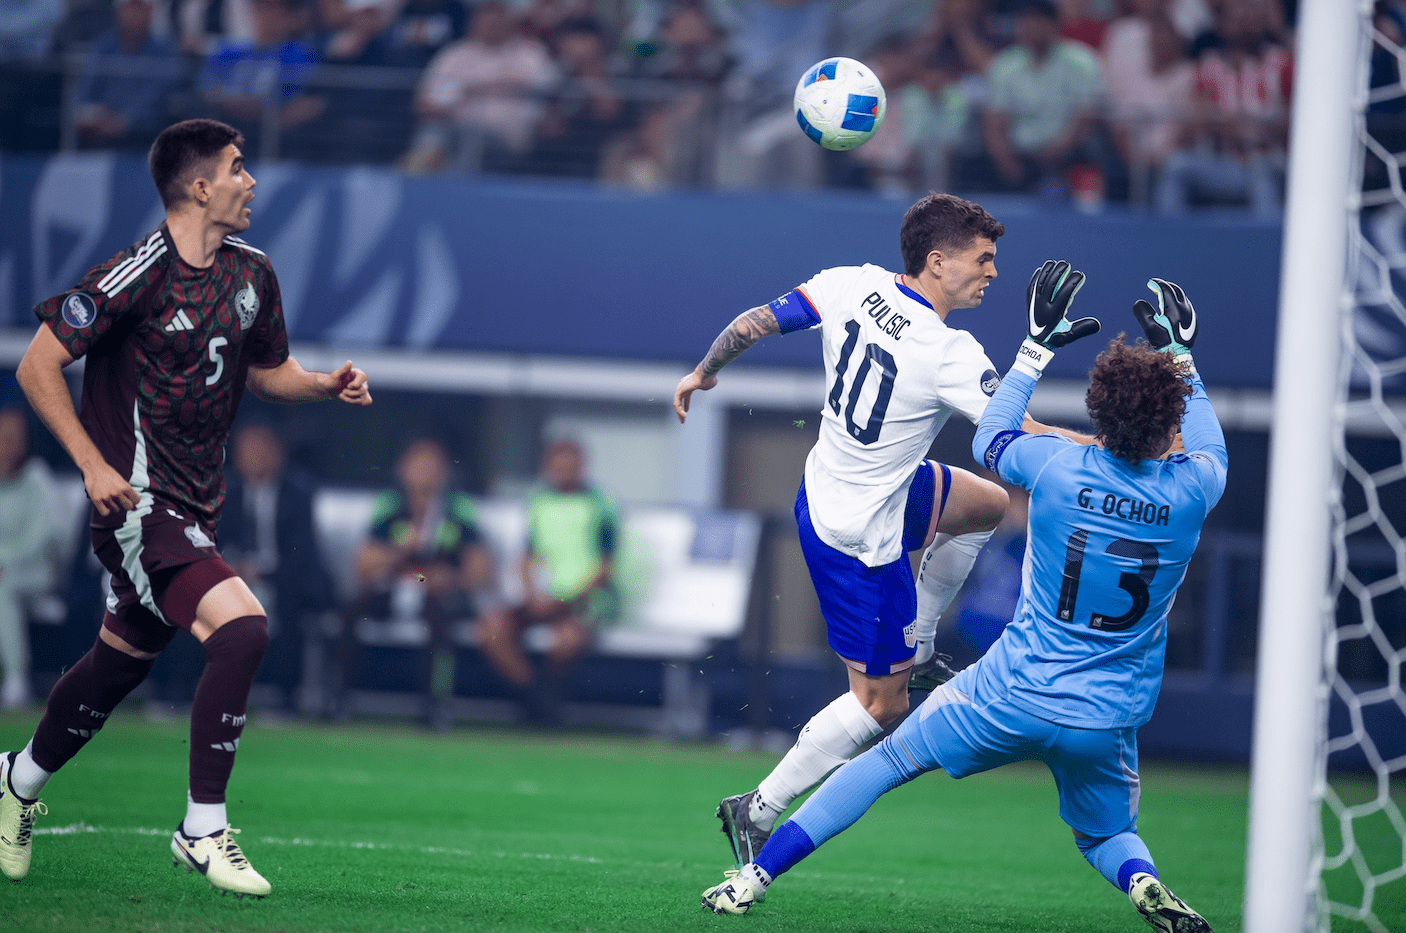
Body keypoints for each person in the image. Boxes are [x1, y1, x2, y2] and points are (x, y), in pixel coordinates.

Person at [700, 271, 1227, 933]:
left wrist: (1035, 348)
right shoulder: (1195, 488)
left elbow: (990, 437)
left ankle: (753, 876)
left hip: (1011, 689)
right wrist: (1182, 357)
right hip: (1105, 714)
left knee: (885, 761)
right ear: (1169, 423)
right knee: (1106, 835)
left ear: (1099, 411)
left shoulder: (1057, 467)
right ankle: (1142, 880)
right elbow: (1210, 443)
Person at [1, 118, 372, 898]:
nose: (251, 181)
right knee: (243, 629)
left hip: (198, 505)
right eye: (238, 167)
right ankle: (202, 826)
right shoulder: (134, 273)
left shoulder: (253, 271)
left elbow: (266, 369)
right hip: (136, 505)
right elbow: (37, 365)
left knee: (118, 664)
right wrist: (93, 465)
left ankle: (16, 778)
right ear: (200, 186)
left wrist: (321, 384)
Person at [672, 192, 1094, 871]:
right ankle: (757, 806)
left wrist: (704, 371)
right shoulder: (949, 352)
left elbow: (756, 322)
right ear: (938, 261)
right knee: (880, 706)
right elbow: (1022, 432)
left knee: (986, 504)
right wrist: (1111, 450)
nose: (992, 273)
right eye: (983, 260)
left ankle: (918, 644)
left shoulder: (850, 282)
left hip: (843, 488)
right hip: (860, 537)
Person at [340, 436, 492, 729]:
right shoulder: (390, 506)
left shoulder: (458, 509)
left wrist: (453, 577)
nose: (426, 473)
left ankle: (435, 704)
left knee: (439, 616)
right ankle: (341, 696)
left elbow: (479, 568)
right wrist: (401, 552)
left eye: (433, 465)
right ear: (403, 469)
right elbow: (364, 563)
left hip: (438, 594)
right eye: (419, 464)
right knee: (351, 607)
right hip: (395, 585)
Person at [477, 439, 619, 724]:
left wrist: (565, 600)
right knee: (491, 629)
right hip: (542, 599)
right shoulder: (538, 503)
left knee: (566, 640)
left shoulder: (601, 506)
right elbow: (528, 557)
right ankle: (533, 695)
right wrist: (532, 594)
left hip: (582, 601)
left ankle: (546, 702)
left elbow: (606, 568)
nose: (564, 471)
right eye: (559, 465)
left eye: (571, 465)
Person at [219, 422, 335, 714]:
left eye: (262, 447)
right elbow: (213, 540)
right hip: (233, 576)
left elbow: (302, 555)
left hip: (283, 579)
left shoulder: (300, 493)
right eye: (248, 448)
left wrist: (262, 573)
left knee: (290, 603)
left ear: (279, 452)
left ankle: (286, 699)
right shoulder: (224, 490)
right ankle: (191, 692)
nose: (256, 455)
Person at [981, 0, 1105, 196]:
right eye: (1027, 20)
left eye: (1039, 20)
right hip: (1020, 156)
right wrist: (1006, 162)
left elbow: (1086, 115)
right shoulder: (1004, 64)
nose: (1033, 27)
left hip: (1069, 155)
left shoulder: (1081, 61)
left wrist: (1059, 150)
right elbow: (995, 120)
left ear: (1055, 24)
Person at [0, 406, 60, 709]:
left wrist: (3, 560)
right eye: (4, 438)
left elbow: (41, 537)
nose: (9, 446)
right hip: (3, 570)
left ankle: (16, 678)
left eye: (15, 438)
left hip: (37, 573)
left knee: (3, 587)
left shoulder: (37, 477)